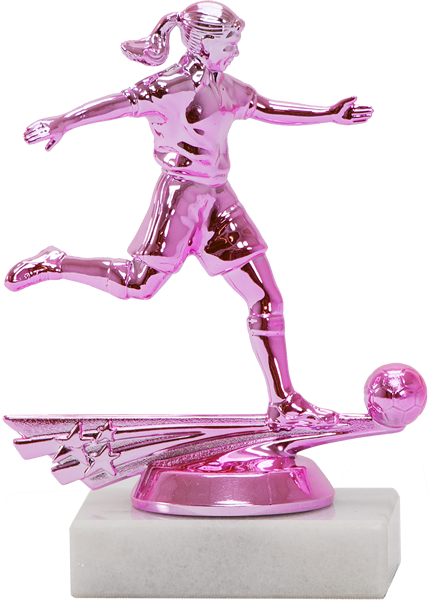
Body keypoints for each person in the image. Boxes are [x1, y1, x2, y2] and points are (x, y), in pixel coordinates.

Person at [5, 2, 373, 431]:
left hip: (220, 200)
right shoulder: (168, 87)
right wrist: (63, 122)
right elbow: (115, 105)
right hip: (180, 198)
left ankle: (284, 402)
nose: (236, 52)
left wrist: (329, 114)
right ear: (203, 44)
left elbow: (269, 108)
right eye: (230, 44)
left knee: (267, 297)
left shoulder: (230, 89)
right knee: (139, 285)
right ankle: (57, 263)